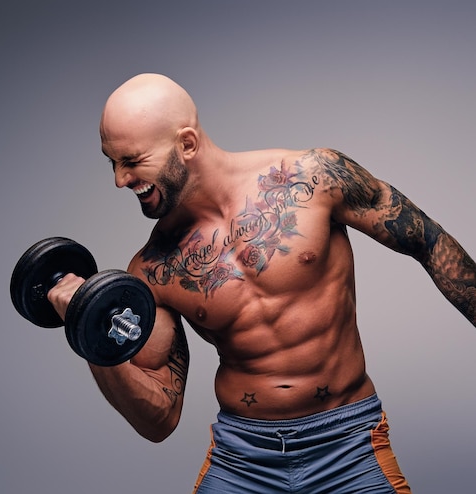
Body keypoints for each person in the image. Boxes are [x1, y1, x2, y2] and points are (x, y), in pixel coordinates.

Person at [48, 73, 476, 493]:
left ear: (187, 144)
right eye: (112, 161)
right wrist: (90, 331)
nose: (120, 180)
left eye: (132, 161)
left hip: (349, 445)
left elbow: (429, 242)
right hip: (242, 461)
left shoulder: (312, 178)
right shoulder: (152, 269)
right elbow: (159, 419)